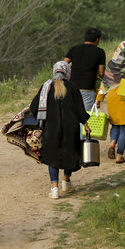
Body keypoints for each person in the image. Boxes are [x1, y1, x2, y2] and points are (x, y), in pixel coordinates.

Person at [29, 61, 91, 199]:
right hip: (71, 127)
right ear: (67, 72)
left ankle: (54, 188)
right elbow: (80, 109)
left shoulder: (46, 87)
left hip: (51, 128)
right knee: (69, 152)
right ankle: (66, 182)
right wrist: (85, 123)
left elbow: (34, 107)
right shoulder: (72, 87)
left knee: (53, 156)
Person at [64, 28, 106, 112]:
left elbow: (63, 64)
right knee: (86, 117)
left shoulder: (74, 49)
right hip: (87, 88)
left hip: (72, 87)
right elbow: (101, 73)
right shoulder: (100, 52)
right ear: (97, 39)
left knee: (72, 114)